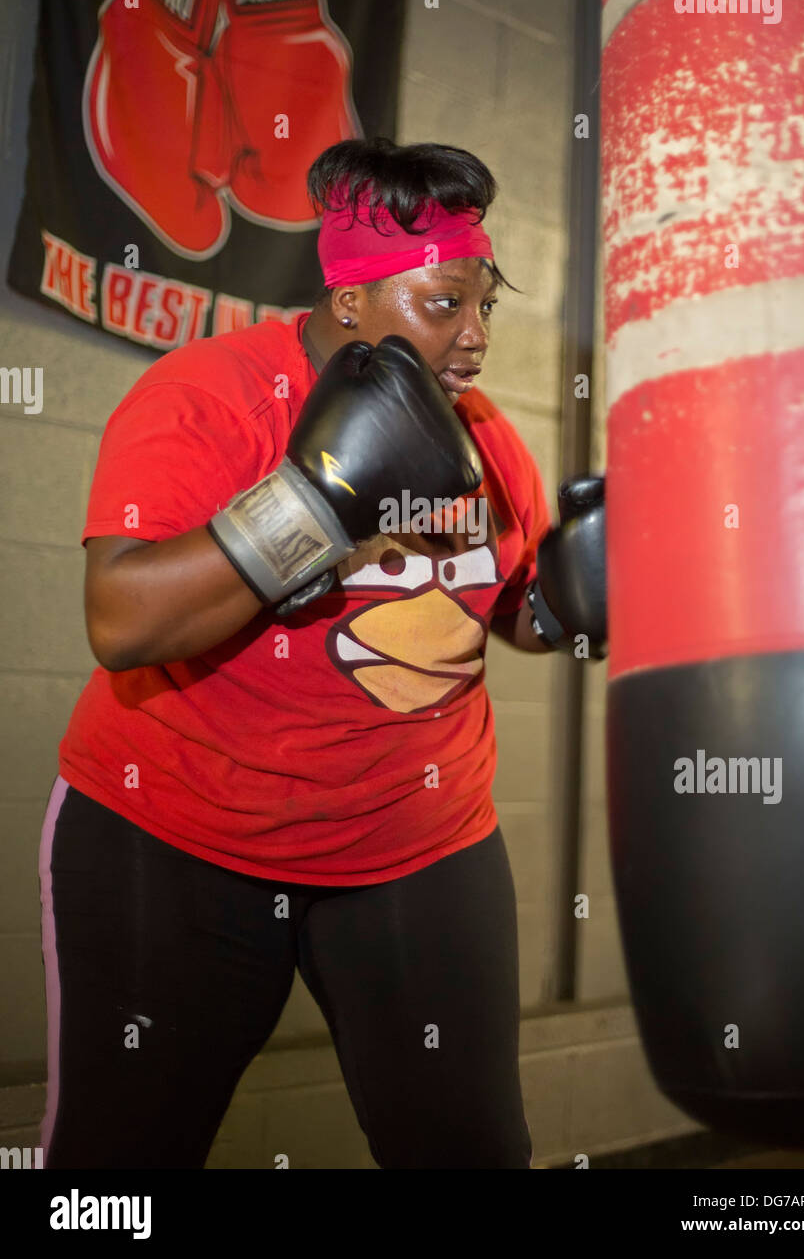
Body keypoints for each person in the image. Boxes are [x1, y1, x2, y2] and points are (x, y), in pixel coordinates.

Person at [38, 137, 593, 1171]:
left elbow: (512, 613)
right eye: (445, 305)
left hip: (415, 844)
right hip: (176, 837)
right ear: (350, 299)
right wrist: (318, 502)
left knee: (470, 1152)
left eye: (485, 306)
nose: (476, 338)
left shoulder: (482, 437)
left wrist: (581, 597)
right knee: (121, 1164)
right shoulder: (209, 395)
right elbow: (121, 622)